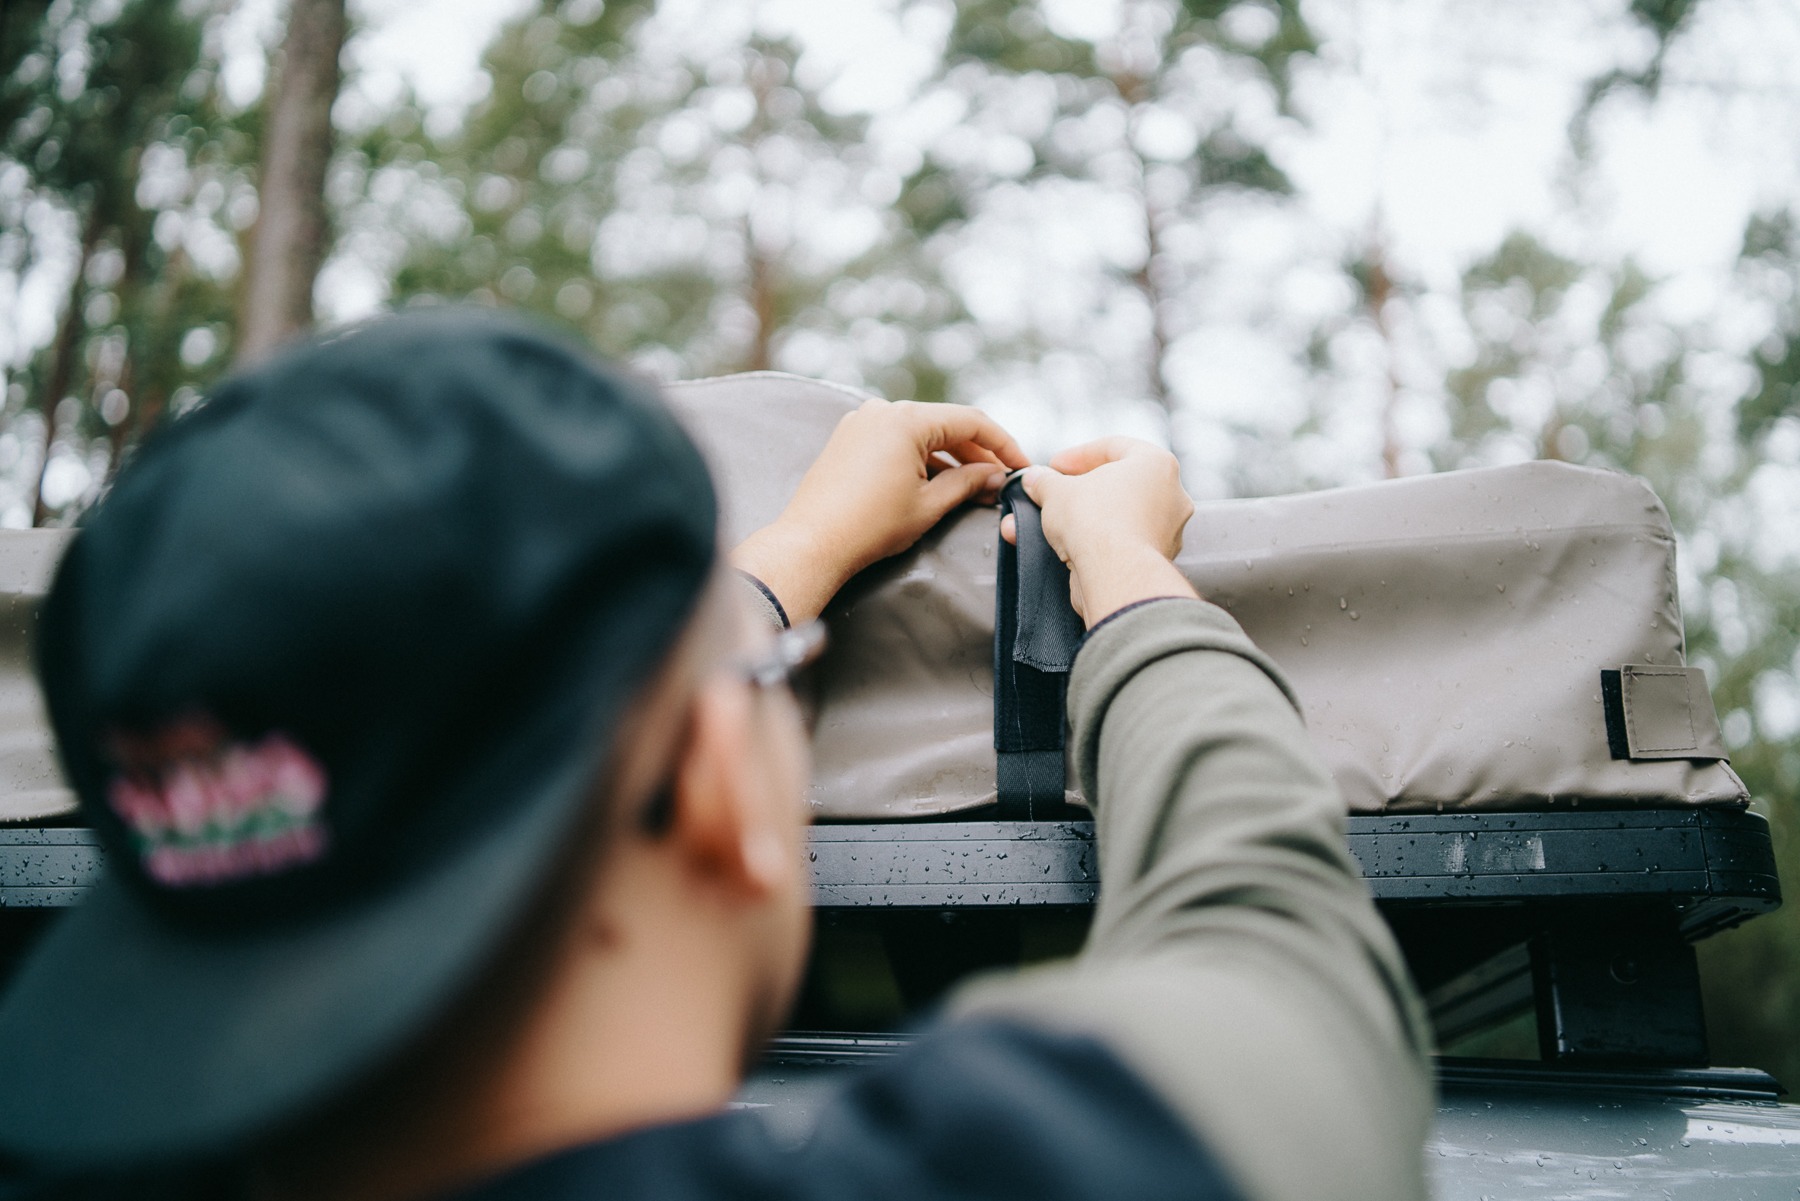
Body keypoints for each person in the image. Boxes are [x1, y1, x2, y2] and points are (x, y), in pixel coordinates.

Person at [0, 309, 1431, 1201]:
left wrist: (784, 567)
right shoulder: (1047, 1165)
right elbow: (1272, 939)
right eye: (764, 682)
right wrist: (1124, 577)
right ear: (711, 791)